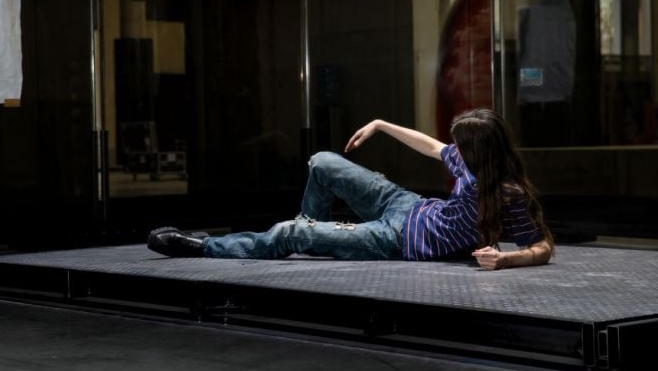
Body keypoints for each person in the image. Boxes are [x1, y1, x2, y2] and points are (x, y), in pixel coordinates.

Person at [148, 108, 554, 270]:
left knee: (292, 232)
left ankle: (205, 246)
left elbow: (542, 247)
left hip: (398, 239)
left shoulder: (508, 193)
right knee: (323, 162)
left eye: (460, 144)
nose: (453, 149)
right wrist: (381, 125)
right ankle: (310, 235)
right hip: (407, 205)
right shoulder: (467, 160)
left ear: (480, 151)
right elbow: (431, 146)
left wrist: (505, 261)